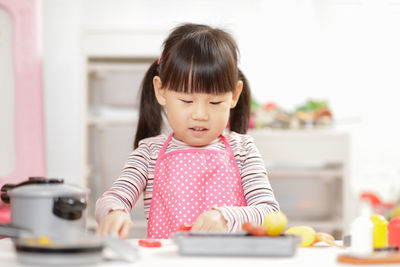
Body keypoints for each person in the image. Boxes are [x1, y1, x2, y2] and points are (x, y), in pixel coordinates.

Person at [95, 23, 280, 239]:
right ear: (161, 91)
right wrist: (115, 212)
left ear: (234, 95)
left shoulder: (244, 150)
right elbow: (113, 198)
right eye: (187, 100)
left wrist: (225, 217)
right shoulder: (149, 154)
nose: (200, 114)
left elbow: (269, 213)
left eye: (215, 102)